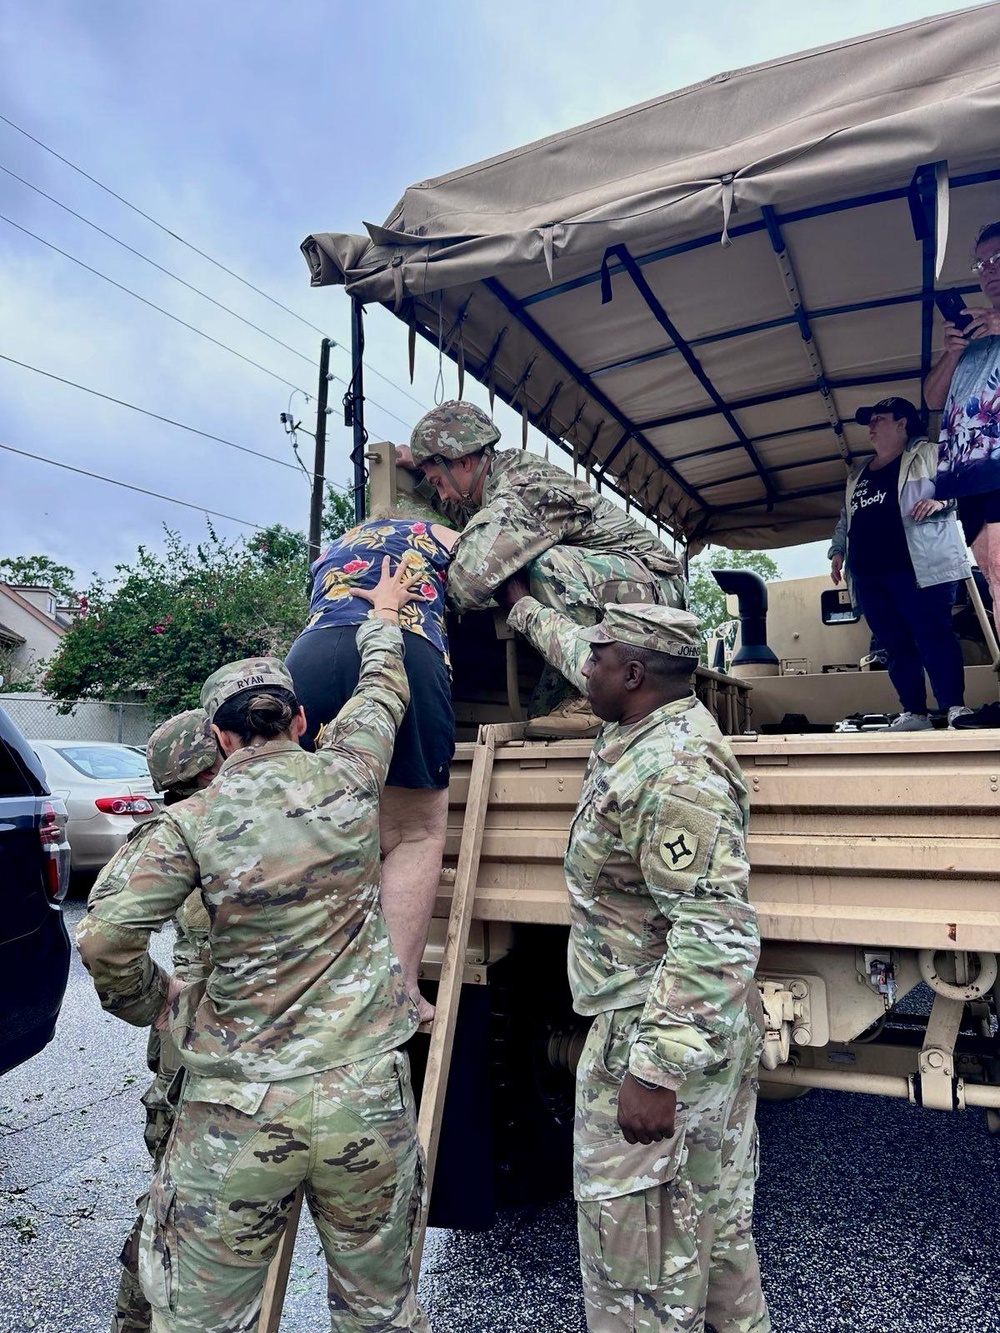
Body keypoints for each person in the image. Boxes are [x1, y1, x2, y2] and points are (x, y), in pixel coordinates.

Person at [77, 558, 431, 1333]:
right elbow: (382, 690)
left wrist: (156, 1004)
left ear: (218, 735)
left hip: (238, 1115)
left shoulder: (191, 821)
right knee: (381, 1314)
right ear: (301, 720)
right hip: (365, 1100)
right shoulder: (351, 774)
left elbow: (105, 935)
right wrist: (386, 612)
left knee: (202, 1319)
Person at [494, 581, 769, 1333]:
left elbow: (714, 929)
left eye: (601, 658)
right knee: (710, 1244)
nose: (587, 669)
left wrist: (654, 1070)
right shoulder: (646, 725)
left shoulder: (672, 769)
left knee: (638, 1271)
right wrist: (522, 603)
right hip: (683, 1024)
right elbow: (575, 645)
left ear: (635, 673)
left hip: (656, 1029)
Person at [399, 399, 686, 736]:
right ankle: (581, 688)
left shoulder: (523, 491)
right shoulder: (495, 482)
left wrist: (399, 594)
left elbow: (466, 583)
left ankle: (593, 691)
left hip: (656, 586)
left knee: (544, 564)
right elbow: (465, 512)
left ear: (463, 461)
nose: (441, 495)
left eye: (437, 482)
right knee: (543, 712)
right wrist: (420, 475)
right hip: (619, 587)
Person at [286, 505, 458, 1026]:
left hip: (310, 655)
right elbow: (483, 577)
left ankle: (316, 984)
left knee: (320, 821)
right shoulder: (434, 533)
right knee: (415, 832)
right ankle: (399, 992)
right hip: (401, 645)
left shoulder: (334, 547)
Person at [82, 708, 221, 1333]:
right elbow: (105, 941)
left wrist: (159, 1004)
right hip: (214, 1054)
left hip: (186, 1049)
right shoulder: (205, 828)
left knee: (170, 1213)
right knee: (179, 1222)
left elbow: (108, 941)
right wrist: (160, 1000)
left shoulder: (175, 830)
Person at [828, 397, 970, 731]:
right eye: (869, 421)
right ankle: (915, 713)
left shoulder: (930, 454)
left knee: (933, 635)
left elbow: (965, 486)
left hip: (920, 567)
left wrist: (940, 501)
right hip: (869, 575)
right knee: (893, 643)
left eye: (878, 419)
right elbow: (846, 517)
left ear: (902, 423)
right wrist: (837, 551)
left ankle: (954, 707)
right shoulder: (858, 473)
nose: (871, 427)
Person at [925, 220, 1000, 728]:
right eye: (981, 263)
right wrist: (952, 354)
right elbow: (931, 400)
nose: (988, 272)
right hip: (973, 480)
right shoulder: (970, 336)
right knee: (995, 580)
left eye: (997, 259)